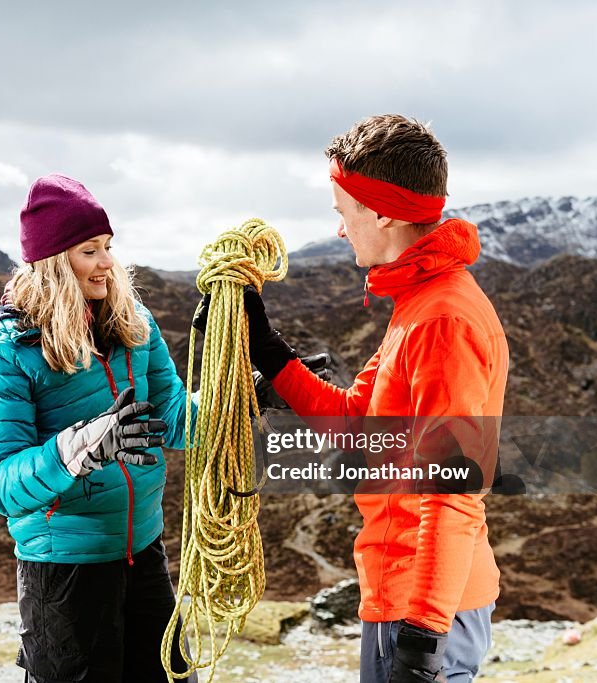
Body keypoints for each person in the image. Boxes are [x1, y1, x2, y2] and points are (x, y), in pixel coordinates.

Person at [243, 115, 507, 682]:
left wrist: (422, 637)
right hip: (408, 594)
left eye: (343, 212)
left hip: (423, 606)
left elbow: (452, 490)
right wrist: (268, 350)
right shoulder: (419, 303)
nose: (340, 230)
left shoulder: (441, 321)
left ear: (382, 211)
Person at [0, 174, 195, 683]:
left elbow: (172, 418)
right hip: (63, 574)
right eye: (90, 251)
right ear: (53, 262)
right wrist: (79, 448)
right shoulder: (2, 354)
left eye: (108, 247)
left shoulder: (134, 324)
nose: (108, 263)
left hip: (144, 554)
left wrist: (243, 401)